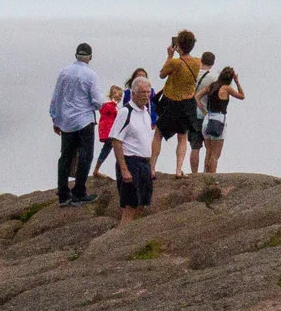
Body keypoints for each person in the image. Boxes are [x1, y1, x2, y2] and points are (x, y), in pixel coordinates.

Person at [47, 42, 104, 206]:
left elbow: (56, 96)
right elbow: (97, 100)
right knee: (85, 156)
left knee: (65, 156)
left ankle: (63, 194)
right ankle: (79, 191)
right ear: (90, 57)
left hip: (66, 121)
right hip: (84, 121)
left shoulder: (64, 72)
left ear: (76, 55)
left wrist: (55, 118)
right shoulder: (91, 75)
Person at [153, 29, 205, 176]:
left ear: (179, 45)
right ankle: (178, 169)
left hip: (171, 101)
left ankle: (152, 168)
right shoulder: (197, 62)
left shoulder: (175, 63)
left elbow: (162, 74)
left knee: (158, 133)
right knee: (182, 137)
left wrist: (170, 56)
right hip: (187, 102)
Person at [109, 70, 156, 220]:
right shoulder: (125, 112)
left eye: (148, 92)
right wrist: (124, 169)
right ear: (133, 93)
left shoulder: (146, 113)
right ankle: (119, 241)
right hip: (130, 163)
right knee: (130, 208)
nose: (146, 95)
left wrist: (151, 167)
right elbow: (116, 140)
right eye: (142, 92)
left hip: (144, 163)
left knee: (141, 206)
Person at [201, 66, 244, 174]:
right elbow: (242, 96)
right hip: (218, 120)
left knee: (209, 151)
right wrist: (237, 81)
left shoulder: (212, 86)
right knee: (215, 155)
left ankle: (204, 176)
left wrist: (204, 110)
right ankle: (211, 178)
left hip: (207, 118)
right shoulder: (226, 88)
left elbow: (197, 96)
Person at [184, 49, 217, 174]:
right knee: (209, 148)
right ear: (213, 63)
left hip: (192, 113)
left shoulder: (192, 74)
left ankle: (194, 173)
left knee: (195, 147)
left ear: (201, 60)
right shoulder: (214, 78)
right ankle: (206, 173)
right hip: (207, 114)